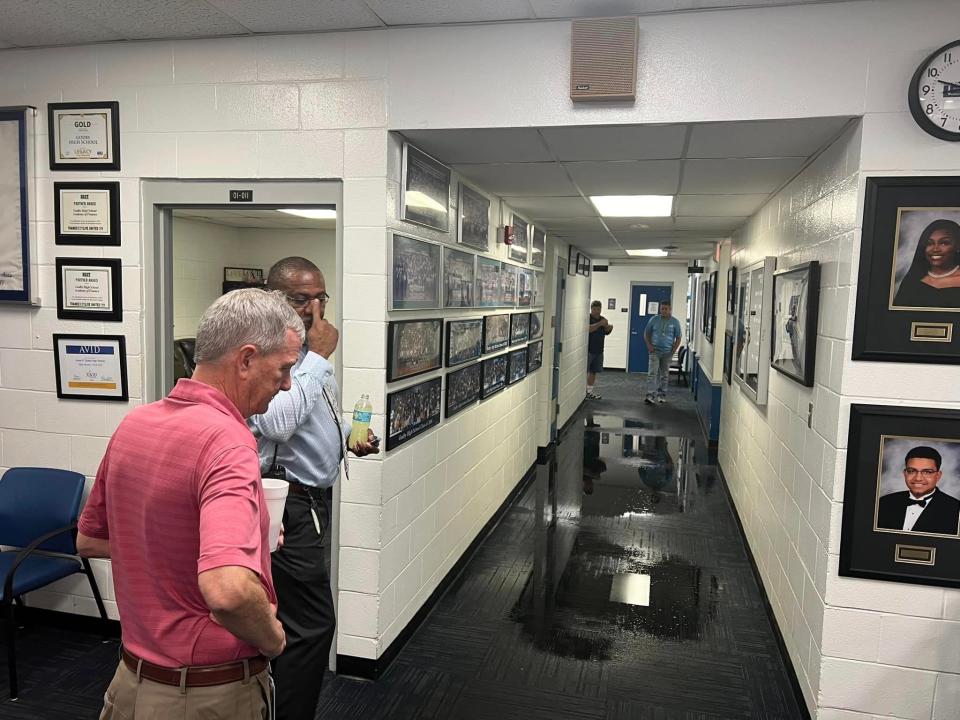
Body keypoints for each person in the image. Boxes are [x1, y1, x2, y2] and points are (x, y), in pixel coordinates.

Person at [77, 288, 303, 719]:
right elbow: (228, 591)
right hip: (204, 696)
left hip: (130, 685)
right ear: (246, 359)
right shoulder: (228, 442)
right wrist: (273, 639)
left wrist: (225, 547)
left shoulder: (136, 424)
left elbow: (91, 539)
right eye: (285, 368)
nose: (288, 383)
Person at [248, 256, 380, 720]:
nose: (313, 310)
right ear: (272, 298)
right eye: (300, 299)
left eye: (320, 298)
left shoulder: (305, 356)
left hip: (313, 503)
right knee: (311, 627)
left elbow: (313, 417)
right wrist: (320, 357)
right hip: (286, 503)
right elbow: (277, 422)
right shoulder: (264, 354)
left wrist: (347, 439)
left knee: (291, 621)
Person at [877, 446, 960, 535]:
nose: (918, 478)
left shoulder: (956, 510)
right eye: (912, 471)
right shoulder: (884, 503)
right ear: (905, 474)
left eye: (927, 472)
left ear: (938, 476)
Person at [892, 219, 960, 308]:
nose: (935, 249)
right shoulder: (912, 282)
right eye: (929, 243)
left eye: (944, 243)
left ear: (958, 246)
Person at [643, 301, 682, 405]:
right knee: (652, 373)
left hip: (667, 352)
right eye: (662, 309)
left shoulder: (675, 322)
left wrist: (673, 350)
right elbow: (646, 333)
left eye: (665, 309)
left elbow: (678, 337)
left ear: (670, 310)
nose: (663, 311)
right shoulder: (654, 319)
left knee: (664, 374)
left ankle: (662, 395)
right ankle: (650, 395)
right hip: (655, 351)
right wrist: (649, 345)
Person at [587, 300, 613, 399]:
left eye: (599, 309)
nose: (597, 311)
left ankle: (589, 391)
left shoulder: (603, 319)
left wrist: (609, 327)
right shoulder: (588, 318)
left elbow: (606, 332)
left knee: (593, 371)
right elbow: (588, 329)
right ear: (591, 309)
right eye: (595, 309)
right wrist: (599, 324)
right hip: (589, 350)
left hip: (599, 350)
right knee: (586, 371)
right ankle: (583, 391)